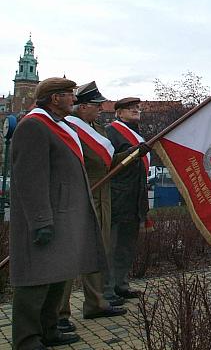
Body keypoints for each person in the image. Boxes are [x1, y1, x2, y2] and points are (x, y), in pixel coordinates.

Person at [10, 78, 105, 349]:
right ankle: (27, 340)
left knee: (57, 276)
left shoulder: (56, 126)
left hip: (63, 216)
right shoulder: (33, 126)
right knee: (35, 281)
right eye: (69, 95)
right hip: (46, 217)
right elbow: (30, 179)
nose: (74, 100)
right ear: (55, 98)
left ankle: (49, 330)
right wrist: (41, 221)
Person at [56, 82, 127, 332]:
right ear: (82, 106)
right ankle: (59, 314)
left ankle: (96, 303)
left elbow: (106, 162)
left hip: (101, 195)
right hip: (80, 195)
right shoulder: (68, 128)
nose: (100, 110)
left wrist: (131, 155)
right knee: (70, 255)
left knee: (98, 251)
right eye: (96, 106)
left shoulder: (97, 129)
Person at [105, 97, 150, 300]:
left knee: (126, 246)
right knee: (113, 246)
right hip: (118, 196)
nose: (136, 110)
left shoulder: (136, 133)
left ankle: (121, 284)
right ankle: (108, 289)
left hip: (135, 196)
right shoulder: (111, 132)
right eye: (130, 108)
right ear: (119, 112)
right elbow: (110, 163)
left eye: (137, 108)